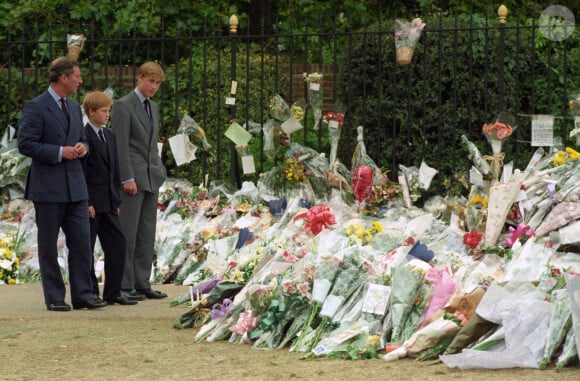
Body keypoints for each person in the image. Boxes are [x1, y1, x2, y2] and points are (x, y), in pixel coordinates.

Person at [17, 57, 107, 311]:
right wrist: (59, 151)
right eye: (76, 76)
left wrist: (83, 147)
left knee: (81, 243)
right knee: (48, 246)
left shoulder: (74, 106)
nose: (80, 80)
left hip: (76, 188)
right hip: (48, 189)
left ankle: (83, 294)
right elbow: (25, 144)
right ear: (63, 78)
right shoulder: (36, 107)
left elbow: (82, 138)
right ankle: (55, 296)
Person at [111, 61, 168, 300]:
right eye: (150, 81)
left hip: (151, 177)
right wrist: (126, 177)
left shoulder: (153, 107)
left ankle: (142, 282)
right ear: (140, 78)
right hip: (132, 178)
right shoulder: (123, 105)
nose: (153, 86)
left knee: (146, 232)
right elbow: (120, 145)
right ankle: (124, 286)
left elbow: (152, 145)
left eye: (157, 83)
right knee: (128, 233)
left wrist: (159, 170)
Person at [81, 91, 137, 306]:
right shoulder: (83, 136)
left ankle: (113, 292)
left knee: (118, 244)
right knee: (87, 248)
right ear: (91, 112)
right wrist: (86, 202)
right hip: (93, 204)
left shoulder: (109, 136)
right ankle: (91, 292)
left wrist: (116, 200)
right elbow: (82, 173)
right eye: (104, 111)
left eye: (109, 111)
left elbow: (114, 171)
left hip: (109, 203)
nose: (108, 115)